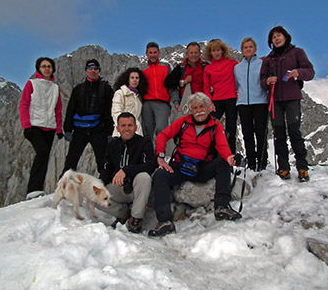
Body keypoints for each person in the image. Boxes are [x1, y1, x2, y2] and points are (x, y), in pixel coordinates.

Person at [148, 92, 242, 237]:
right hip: (181, 165)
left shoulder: (215, 126)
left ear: (209, 107)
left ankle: (222, 207)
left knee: (223, 163)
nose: (199, 110)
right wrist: (160, 156)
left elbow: (222, 146)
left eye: (202, 106)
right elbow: (162, 135)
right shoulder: (183, 122)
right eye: (195, 108)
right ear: (191, 110)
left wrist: (229, 158)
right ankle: (165, 221)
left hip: (203, 168)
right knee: (160, 175)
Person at [260, 26, 315, 182]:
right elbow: (262, 80)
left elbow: (310, 71)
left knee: (294, 132)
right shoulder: (269, 59)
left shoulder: (297, 53)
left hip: (292, 98)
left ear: (285, 37)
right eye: (273, 37)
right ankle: (283, 168)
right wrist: (267, 81)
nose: (276, 39)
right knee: (279, 134)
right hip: (275, 100)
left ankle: (302, 167)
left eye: (278, 35)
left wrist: (299, 73)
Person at [99, 112, 156, 233]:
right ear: (118, 128)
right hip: (119, 187)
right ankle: (123, 213)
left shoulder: (144, 142)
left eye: (130, 125)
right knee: (94, 195)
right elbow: (106, 168)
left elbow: (150, 165)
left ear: (136, 127)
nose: (127, 129)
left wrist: (126, 170)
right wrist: (99, 185)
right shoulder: (112, 144)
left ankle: (136, 218)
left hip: (137, 188)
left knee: (144, 177)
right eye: (123, 125)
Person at [19, 57, 63, 200]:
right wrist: (26, 126)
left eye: (49, 66)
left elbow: (58, 110)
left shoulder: (55, 88)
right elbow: (24, 104)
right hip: (35, 126)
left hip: (49, 127)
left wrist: (59, 129)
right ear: (39, 68)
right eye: (43, 66)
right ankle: (32, 189)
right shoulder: (32, 84)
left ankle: (38, 189)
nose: (46, 69)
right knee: (42, 152)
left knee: (45, 157)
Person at [62, 59, 114, 176]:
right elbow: (71, 109)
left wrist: (110, 132)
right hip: (79, 130)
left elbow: (110, 111)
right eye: (90, 68)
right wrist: (68, 130)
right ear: (86, 70)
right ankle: (64, 188)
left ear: (99, 71)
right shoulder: (78, 89)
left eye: (95, 69)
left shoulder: (106, 89)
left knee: (103, 162)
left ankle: (106, 187)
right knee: (71, 161)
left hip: (99, 130)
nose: (93, 71)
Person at [234, 38, 268, 171]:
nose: (248, 49)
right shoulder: (237, 68)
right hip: (243, 103)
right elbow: (237, 85)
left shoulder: (262, 64)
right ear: (242, 50)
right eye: (245, 47)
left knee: (260, 133)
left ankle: (262, 162)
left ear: (255, 49)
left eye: (250, 47)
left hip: (260, 102)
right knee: (247, 134)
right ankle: (251, 163)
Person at [203, 39, 239, 153]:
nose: (216, 53)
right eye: (214, 51)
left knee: (231, 130)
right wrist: (210, 103)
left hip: (231, 99)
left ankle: (232, 157)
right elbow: (206, 87)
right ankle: (214, 155)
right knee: (211, 127)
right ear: (210, 53)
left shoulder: (232, 63)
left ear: (222, 51)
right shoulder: (208, 68)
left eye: (218, 50)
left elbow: (244, 68)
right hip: (216, 101)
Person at [141, 42, 173, 141]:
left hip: (162, 103)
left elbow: (172, 85)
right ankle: (148, 155)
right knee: (147, 131)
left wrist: (175, 101)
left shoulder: (166, 67)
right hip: (147, 104)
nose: (153, 55)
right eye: (150, 53)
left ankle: (160, 153)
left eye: (155, 52)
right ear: (146, 54)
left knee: (162, 129)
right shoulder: (142, 70)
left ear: (159, 53)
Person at [164, 42, 208, 111]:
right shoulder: (181, 67)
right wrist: (183, 82)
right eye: (191, 53)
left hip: (203, 102)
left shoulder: (205, 66)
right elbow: (167, 82)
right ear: (187, 54)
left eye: (196, 53)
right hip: (186, 103)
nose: (194, 55)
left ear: (200, 54)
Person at [111, 68, 148, 137]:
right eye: (132, 78)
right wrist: (123, 127)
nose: (134, 80)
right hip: (122, 132)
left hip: (136, 131)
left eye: (137, 78)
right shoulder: (120, 93)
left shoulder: (139, 97)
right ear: (128, 80)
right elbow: (116, 112)